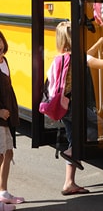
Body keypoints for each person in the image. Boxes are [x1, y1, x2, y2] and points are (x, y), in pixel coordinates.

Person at [54, 22, 103, 196]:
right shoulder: (77, 58)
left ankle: (69, 183)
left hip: (62, 108)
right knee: (100, 127)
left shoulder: (61, 57)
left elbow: (88, 56)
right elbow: (100, 64)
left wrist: (101, 42)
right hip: (74, 107)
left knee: (73, 140)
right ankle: (72, 152)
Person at [0, 31, 25, 211]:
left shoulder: (4, 61)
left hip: (7, 116)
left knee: (8, 153)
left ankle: (3, 192)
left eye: (0, 42)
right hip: (0, 116)